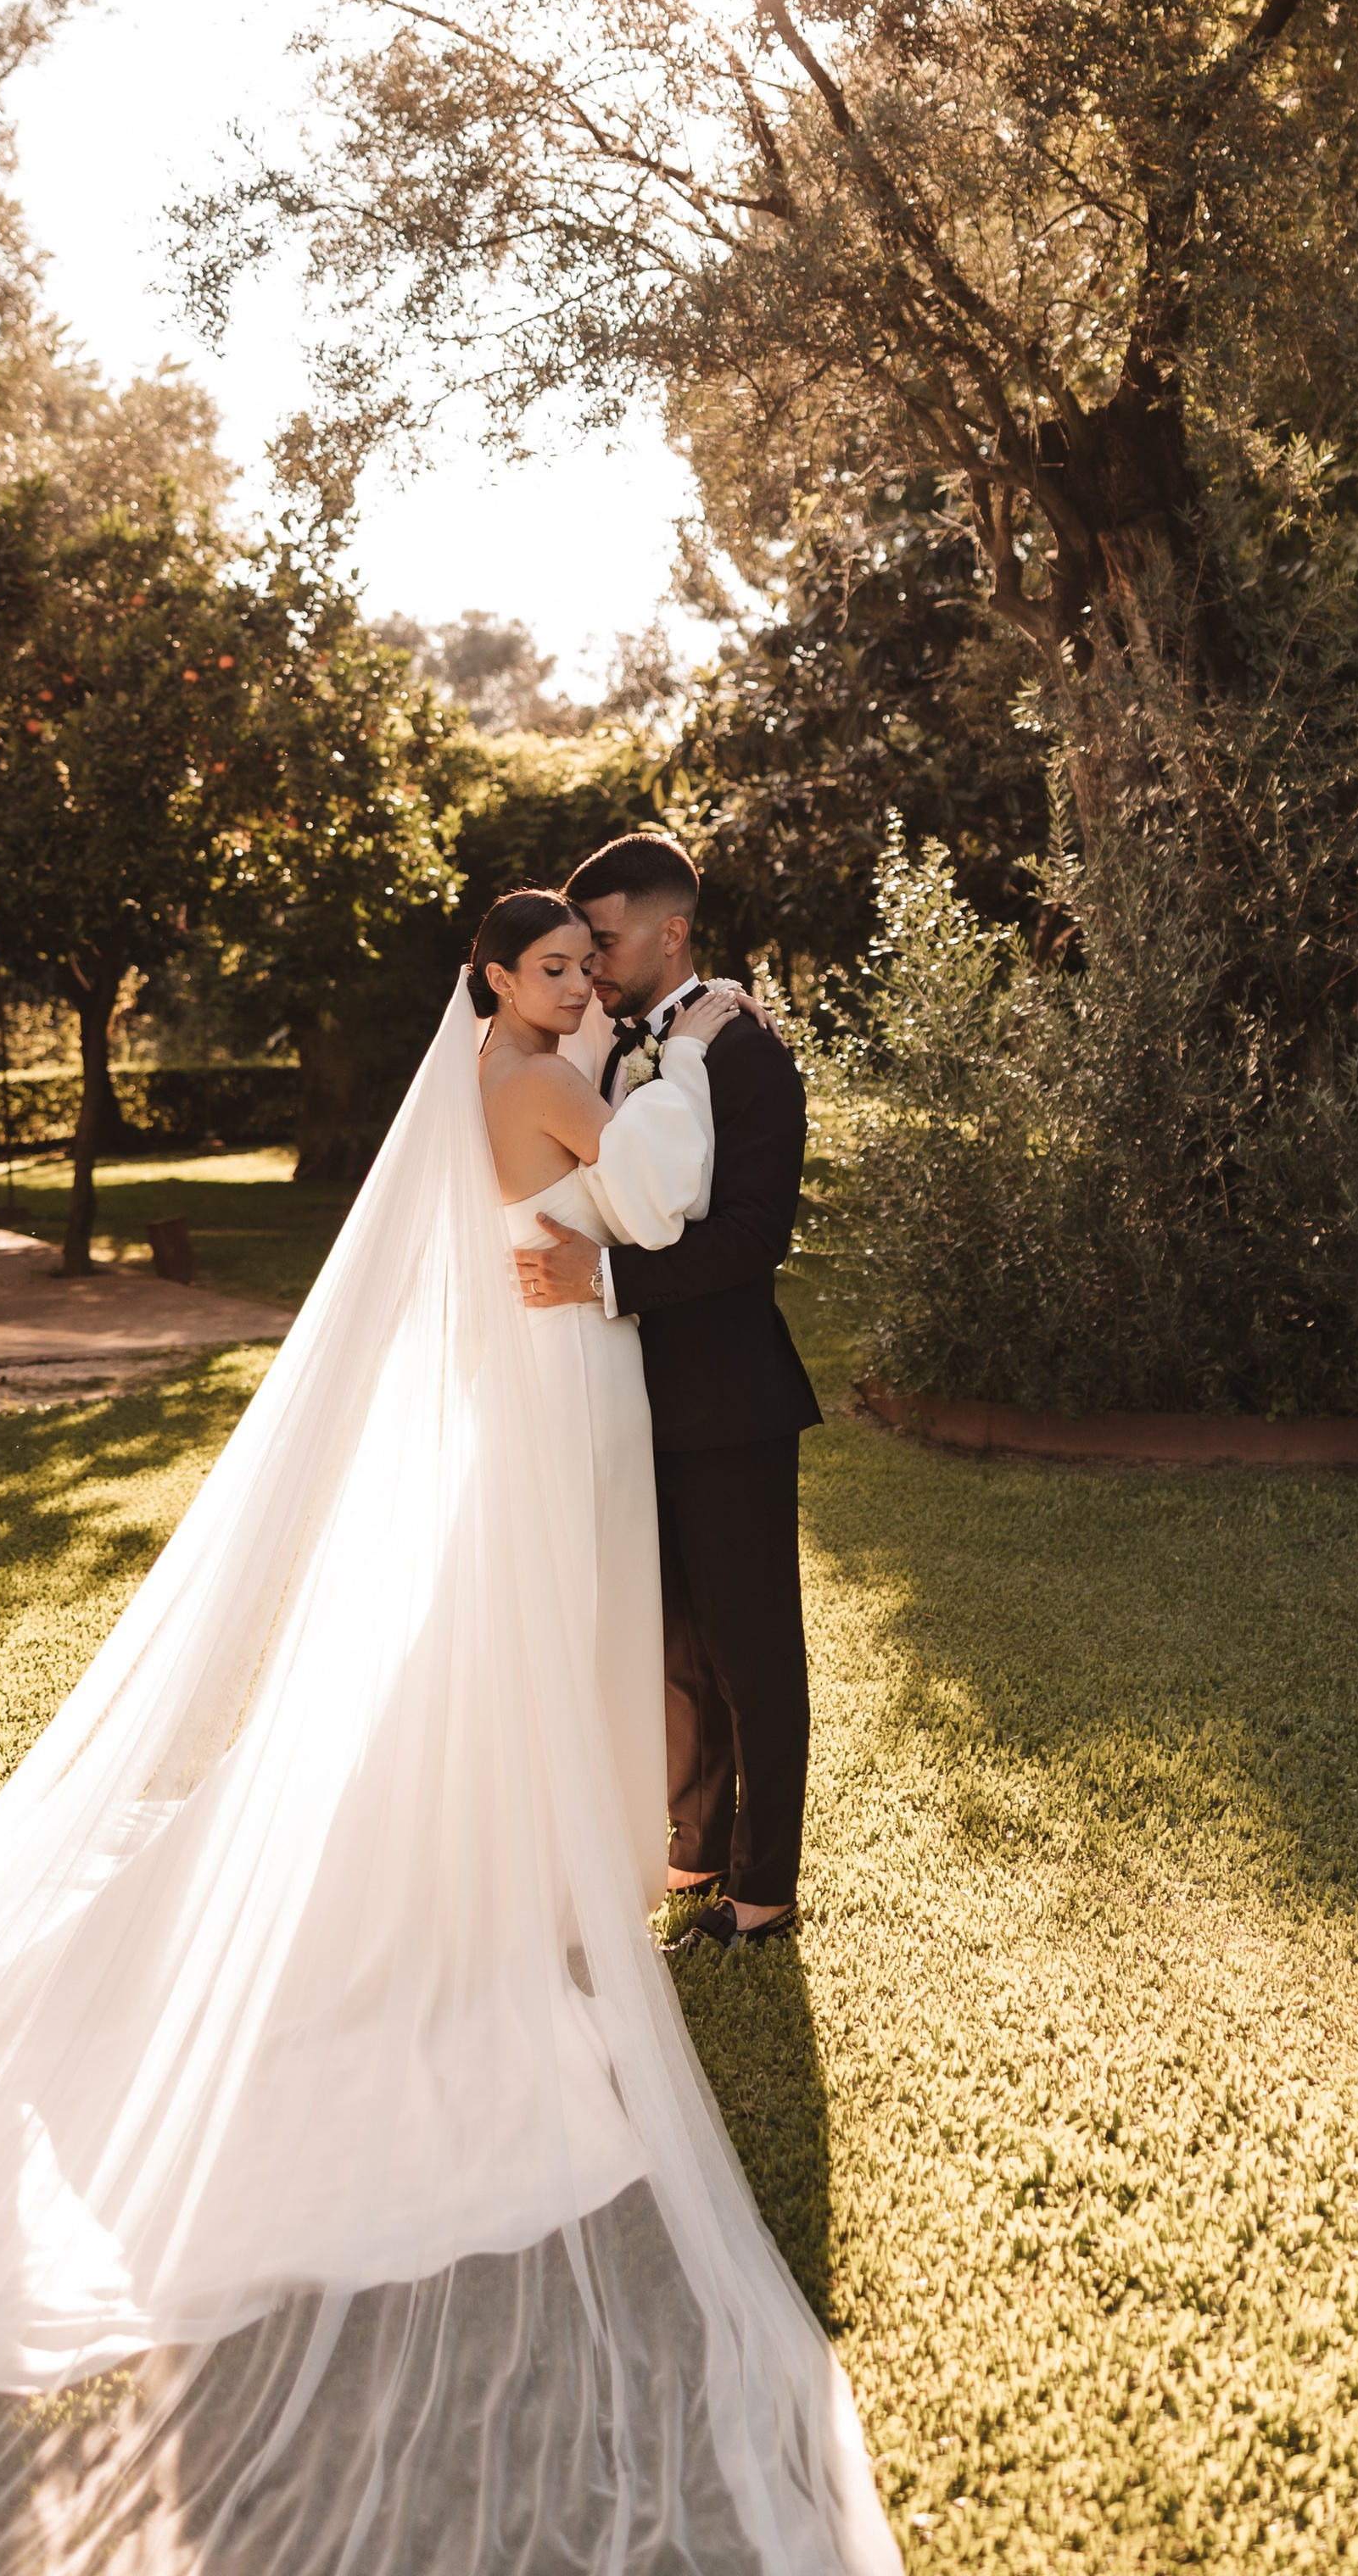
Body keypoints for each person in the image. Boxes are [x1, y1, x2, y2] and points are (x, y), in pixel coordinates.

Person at [0, 919, 893, 2575]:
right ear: (495, 983)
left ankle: (528, 1864)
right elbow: (656, 1195)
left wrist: (630, 1067)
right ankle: (499, 1881)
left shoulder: (512, 1072)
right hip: (557, 1378)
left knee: (515, 1641)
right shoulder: (540, 1080)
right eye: (555, 966)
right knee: (523, 1633)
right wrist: (690, 1054)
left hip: (544, 1377)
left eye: (590, 963)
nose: (581, 987)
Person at [513, 834, 820, 1947]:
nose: (590, 964)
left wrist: (604, 1279)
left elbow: (753, 1235)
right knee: (676, 1649)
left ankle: (763, 1892)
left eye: (603, 941)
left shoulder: (744, 1050)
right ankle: (696, 1851)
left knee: (751, 1650)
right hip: (626, 1399)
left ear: (671, 932)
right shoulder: (611, 1046)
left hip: (730, 1404)